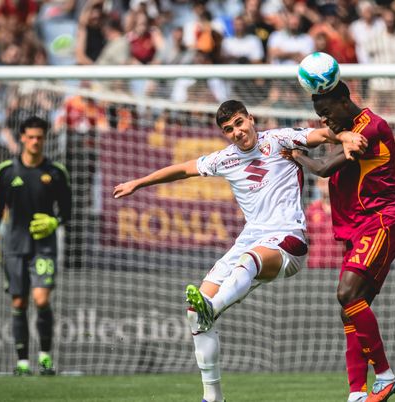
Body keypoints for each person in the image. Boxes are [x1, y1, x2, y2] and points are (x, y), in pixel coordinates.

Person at [112, 100, 364, 402]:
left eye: (239, 123)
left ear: (251, 119)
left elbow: (323, 135)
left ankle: (214, 309)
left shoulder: (278, 139)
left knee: (247, 264)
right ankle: (213, 397)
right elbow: (182, 169)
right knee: (195, 311)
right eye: (228, 129)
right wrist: (138, 183)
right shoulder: (224, 159)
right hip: (249, 239)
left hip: (287, 240)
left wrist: (346, 136)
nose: (236, 132)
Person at [288, 81, 395, 402]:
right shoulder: (345, 130)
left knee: (346, 293)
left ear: (344, 101)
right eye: (319, 115)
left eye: (327, 112)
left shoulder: (370, 129)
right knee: (351, 308)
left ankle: (385, 376)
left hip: (382, 219)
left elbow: (325, 168)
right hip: (358, 227)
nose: (324, 120)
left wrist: (296, 154)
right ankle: (356, 393)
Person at [0, 116, 72, 376]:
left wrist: (54, 222)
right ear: (22, 137)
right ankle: (22, 362)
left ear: (45, 139)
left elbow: (67, 211)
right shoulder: (7, 171)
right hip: (14, 244)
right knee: (19, 301)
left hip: (44, 245)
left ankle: (45, 357)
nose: (35, 142)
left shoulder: (56, 172)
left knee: (41, 298)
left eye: (40, 138)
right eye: (31, 137)